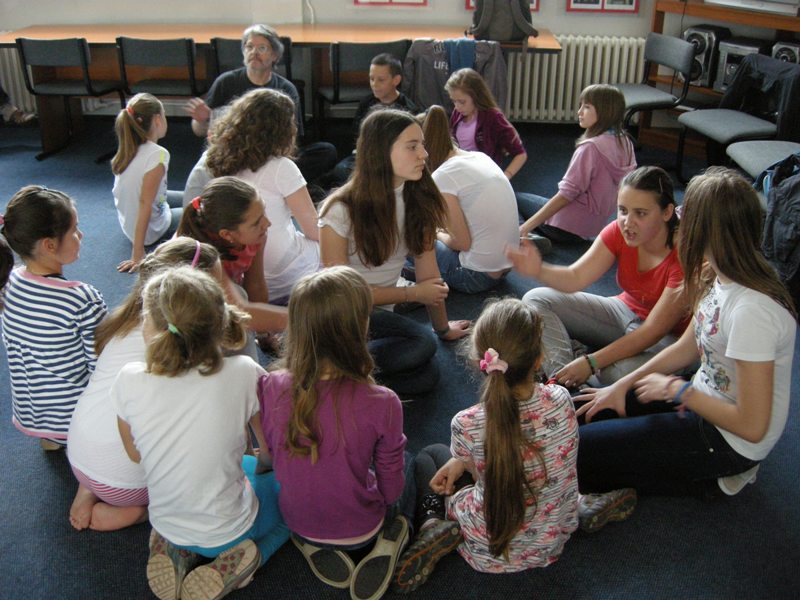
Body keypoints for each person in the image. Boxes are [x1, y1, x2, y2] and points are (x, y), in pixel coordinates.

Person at [575, 167, 797, 499]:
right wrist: (620, 387)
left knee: (579, 453)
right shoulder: (715, 274)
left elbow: (752, 426)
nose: (678, 221)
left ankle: (719, 477)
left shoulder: (753, 312)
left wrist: (675, 390)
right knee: (580, 414)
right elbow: (685, 349)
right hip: (699, 396)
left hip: (729, 439)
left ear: (705, 230)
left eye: (684, 214)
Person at [115, 267, 289, 600]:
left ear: (153, 329)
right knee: (289, 503)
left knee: (230, 472)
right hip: (231, 532)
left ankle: (175, 549)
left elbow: (135, 454)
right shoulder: (244, 372)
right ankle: (248, 559)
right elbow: (268, 452)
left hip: (166, 523)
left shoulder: (128, 377)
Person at [392, 298, 580, 591]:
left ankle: (432, 527)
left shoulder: (467, 423)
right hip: (553, 535)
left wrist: (461, 460)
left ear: (479, 360)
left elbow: (485, 467)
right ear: (539, 359)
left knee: (431, 456)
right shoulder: (562, 399)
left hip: (488, 546)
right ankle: (580, 505)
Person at [258, 266, 413, 600]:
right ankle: (392, 536)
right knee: (414, 463)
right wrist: (389, 503)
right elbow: (391, 483)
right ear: (359, 328)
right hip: (364, 528)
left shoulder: (270, 384)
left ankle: (315, 543)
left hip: (297, 522)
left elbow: (270, 453)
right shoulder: (383, 401)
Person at [67, 238, 220, 532]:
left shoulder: (123, 322)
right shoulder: (185, 347)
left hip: (77, 455)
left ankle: (88, 489)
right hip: (127, 484)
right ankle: (138, 512)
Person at [318, 109, 470, 396]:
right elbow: (341, 294)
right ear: (380, 152)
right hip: (342, 314)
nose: (424, 154)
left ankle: (350, 377)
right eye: (412, 146)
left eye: (422, 144)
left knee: (427, 375)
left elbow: (429, 275)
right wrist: (413, 294)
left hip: (377, 311)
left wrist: (443, 330)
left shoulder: (417, 198)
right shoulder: (340, 209)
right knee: (422, 348)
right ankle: (342, 371)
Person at [507, 166, 689, 387]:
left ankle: (577, 371)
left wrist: (591, 362)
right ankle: (561, 385)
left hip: (669, 338)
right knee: (536, 299)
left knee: (613, 375)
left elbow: (652, 331)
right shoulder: (619, 231)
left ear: (667, 212)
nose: (627, 222)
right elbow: (575, 277)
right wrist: (538, 270)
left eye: (640, 213)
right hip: (624, 311)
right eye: (623, 210)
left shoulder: (685, 257)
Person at [0, 186, 106, 450]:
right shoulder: (82, 299)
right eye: (74, 230)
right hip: (75, 419)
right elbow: (101, 366)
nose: (81, 235)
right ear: (49, 245)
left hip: (31, 413)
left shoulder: (8, 282)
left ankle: (50, 439)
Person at [204, 88, 320, 303]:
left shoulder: (218, 161)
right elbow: (314, 230)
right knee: (335, 241)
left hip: (241, 267)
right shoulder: (281, 167)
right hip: (285, 275)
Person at [185, 24, 337, 186]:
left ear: (275, 55)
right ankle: (279, 183)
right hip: (237, 154)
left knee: (326, 151)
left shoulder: (286, 89)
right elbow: (200, 131)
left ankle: (264, 180)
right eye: (249, 47)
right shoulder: (226, 82)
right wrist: (202, 120)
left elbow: (292, 138)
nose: (254, 53)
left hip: (271, 154)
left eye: (262, 48)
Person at [413, 104, 518, 294]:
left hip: (475, 276)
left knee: (409, 233)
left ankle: (413, 279)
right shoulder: (479, 157)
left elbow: (461, 243)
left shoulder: (443, 176)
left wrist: (437, 233)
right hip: (506, 266)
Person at [518, 84, 636, 243]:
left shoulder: (590, 148)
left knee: (515, 198)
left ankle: (527, 237)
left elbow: (566, 195)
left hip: (563, 228)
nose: (579, 112)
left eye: (586, 107)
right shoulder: (626, 142)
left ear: (605, 111)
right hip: (592, 229)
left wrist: (526, 226)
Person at [177, 176, 288, 335]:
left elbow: (255, 284)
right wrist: (303, 317)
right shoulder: (202, 256)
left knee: (240, 295)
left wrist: (264, 333)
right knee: (238, 300)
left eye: (263, 212)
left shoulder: (254, 236)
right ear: (227, 235)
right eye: (256, 222)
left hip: (228, 296)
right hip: (192, 314)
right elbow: (239, 311)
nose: (267, 223)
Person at [111, 93, 183, 273]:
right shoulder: (159, 154)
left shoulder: (129, 147)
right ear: (158, 120)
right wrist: (138, 252)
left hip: (128, 223)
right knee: (196, 208)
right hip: (151, 231)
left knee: (188, 195)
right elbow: (145, 204)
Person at [328, 52, 419, 188]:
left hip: (393, 160)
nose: (374, 84)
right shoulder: (366, 103)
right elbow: (356, 134)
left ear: (396, 80)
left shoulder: (408, 109)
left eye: (381, 80)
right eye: (371, 79)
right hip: (366, 156)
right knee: (341, 171)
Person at [445, 68, 527, 180]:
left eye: (462, 102)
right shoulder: (457, 113)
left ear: (476, 96)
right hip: (460, 171)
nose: (457, 107)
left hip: (483, 175)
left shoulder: (493, 117)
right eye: (454, 101)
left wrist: (505, 177)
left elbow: (521, 154)